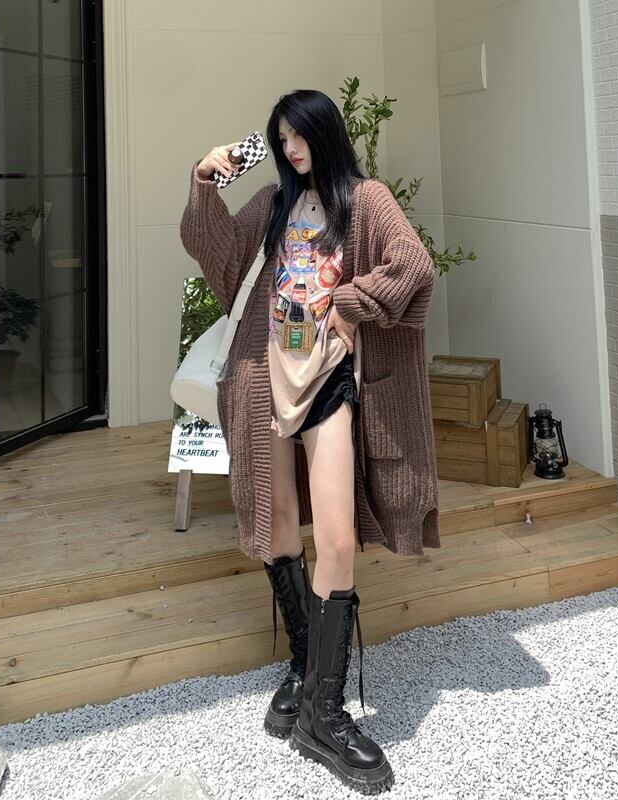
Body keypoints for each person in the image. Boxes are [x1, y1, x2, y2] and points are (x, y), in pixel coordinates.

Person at [181, 88, 440, 795]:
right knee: (277, 527)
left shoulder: (366, 200)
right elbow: (216, 252)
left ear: (325, 134)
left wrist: (351, 305)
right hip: (264, 379)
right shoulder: (273, 203)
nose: (292, 149)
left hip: (328, 383)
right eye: (282, 139)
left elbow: (413, 265)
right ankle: (306, 668)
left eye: (300, 136)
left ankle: (323, 711)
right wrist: (203, 181)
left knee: (338, 541)